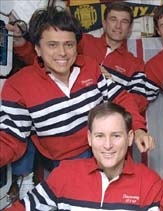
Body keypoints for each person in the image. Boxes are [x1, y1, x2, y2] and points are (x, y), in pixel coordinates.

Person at [0, 6, 154, 186]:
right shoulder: (18, 85)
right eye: (52, 45)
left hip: (93, 154)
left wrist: (138, 128)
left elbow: (120, 97)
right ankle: (24, 183)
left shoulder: (90, 67)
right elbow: (10, 138)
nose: (62, 53)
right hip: (55, 161)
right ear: (38, 49)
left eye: (69, 44)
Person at [4, 102, 162, 211]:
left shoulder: (148, 182)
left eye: (116, 136)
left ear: (130, 138)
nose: (108, 145)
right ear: (89, 139)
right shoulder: (65, 174)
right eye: (100, 136)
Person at [7, 2, 157, 115]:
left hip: (107, 128)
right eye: (113, 19)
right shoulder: (82, 41)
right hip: (57, 117)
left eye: (124, 22)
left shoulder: (135, 63)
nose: (118, 26)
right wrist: (21, 45)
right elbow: (44, 59)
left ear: (130, 28)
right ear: (104, 23)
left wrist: (109, 88)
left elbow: (140, 102)